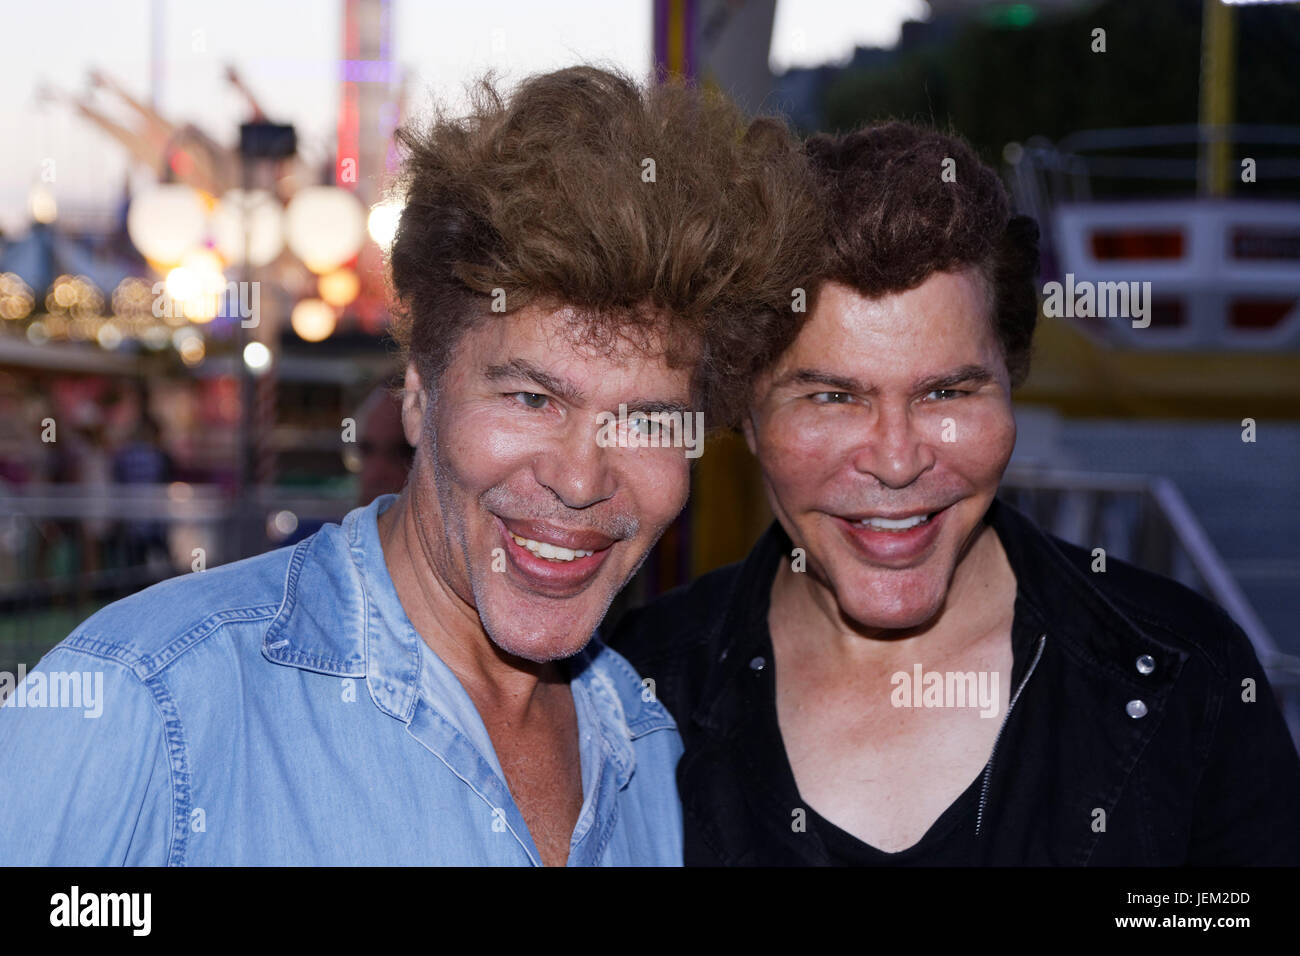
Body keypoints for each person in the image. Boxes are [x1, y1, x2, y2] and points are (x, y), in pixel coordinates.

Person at [0, 66, 821, 865]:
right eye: (531, 399)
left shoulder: (651, 752)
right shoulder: (150, 701)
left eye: (646, 421)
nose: (580, 480)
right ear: (420, 394)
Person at [613, 122, 1300, 865]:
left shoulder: (1188, 676)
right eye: (832, 398)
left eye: (947, 391)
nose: (898, 461)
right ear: (745, 415)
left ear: (1012, 386)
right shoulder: (626, 698)